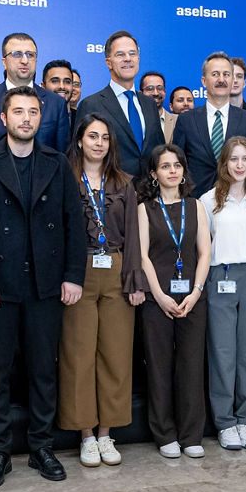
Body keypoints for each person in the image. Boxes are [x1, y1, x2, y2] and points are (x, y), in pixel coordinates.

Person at [0, 86, 85, 489]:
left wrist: (73, 275)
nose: (27, 118)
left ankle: (41, 446)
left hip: (45, 286)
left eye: (33, 112)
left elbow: (74, 224)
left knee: (41, 372)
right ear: (3, 118)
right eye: (19, 111)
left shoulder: (57, 163)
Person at [58, 114, 145, 467]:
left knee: (116, 355)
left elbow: (134, 236)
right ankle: (86, 436)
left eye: (104, 138)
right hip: (79, 274)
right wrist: (66, 276)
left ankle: (107, 434)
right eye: (92, 136)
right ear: (79, 140)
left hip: (116, 272)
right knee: (78, 356)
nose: (98, 143)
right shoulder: (65, 179)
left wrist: (135, 281)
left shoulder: (124, 182)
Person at [137, 143, 211, 458]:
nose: (172, 171)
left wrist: (196, 291)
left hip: (193, 297)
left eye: (177, 165)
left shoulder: (196, 206)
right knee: (159, 366)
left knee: (192, 366)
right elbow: (142, 256)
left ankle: (192, 434)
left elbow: (205, 252)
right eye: (165, 166)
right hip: (158, 300)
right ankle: (165, 433)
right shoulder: (145, 209)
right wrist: (158, 295)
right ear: (154, 174)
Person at [200, 136, 246, 451]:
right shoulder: (207, 200)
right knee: (223, 353)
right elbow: (202, 249)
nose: (240, 165)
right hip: (221, 276)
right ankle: (225, 422)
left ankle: (245, 420)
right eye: (234, 159)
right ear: (224, 164)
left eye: (245, 159)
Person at [172, 52, 246, 197]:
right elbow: (177, 163)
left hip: (238, 203)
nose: (221, 79)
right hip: (196, 202)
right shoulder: (186, 120)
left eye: (226, 74)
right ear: (204, 81)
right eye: (215, 74)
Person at [75, 32, 164, 176]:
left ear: (138, 59)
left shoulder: (150, 105)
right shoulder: (91, 104)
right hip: (112, 193)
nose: (128, 59)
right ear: (108, 62)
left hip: (150, 192)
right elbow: (78, 157)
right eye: (120, 54)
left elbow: (160, 150)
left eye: (132, 53)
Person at [0, 33, 71, 153]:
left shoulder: (56, 104)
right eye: (17, 54)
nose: (24, 60)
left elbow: (63, 155)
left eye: (30, 55)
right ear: (4, 62)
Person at [140, 70, 177, 143]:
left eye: (160, 88)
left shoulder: (178, 121)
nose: (155, 93)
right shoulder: (134, 120)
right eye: (150, 88)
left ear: (165, 92)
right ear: (140, 94)